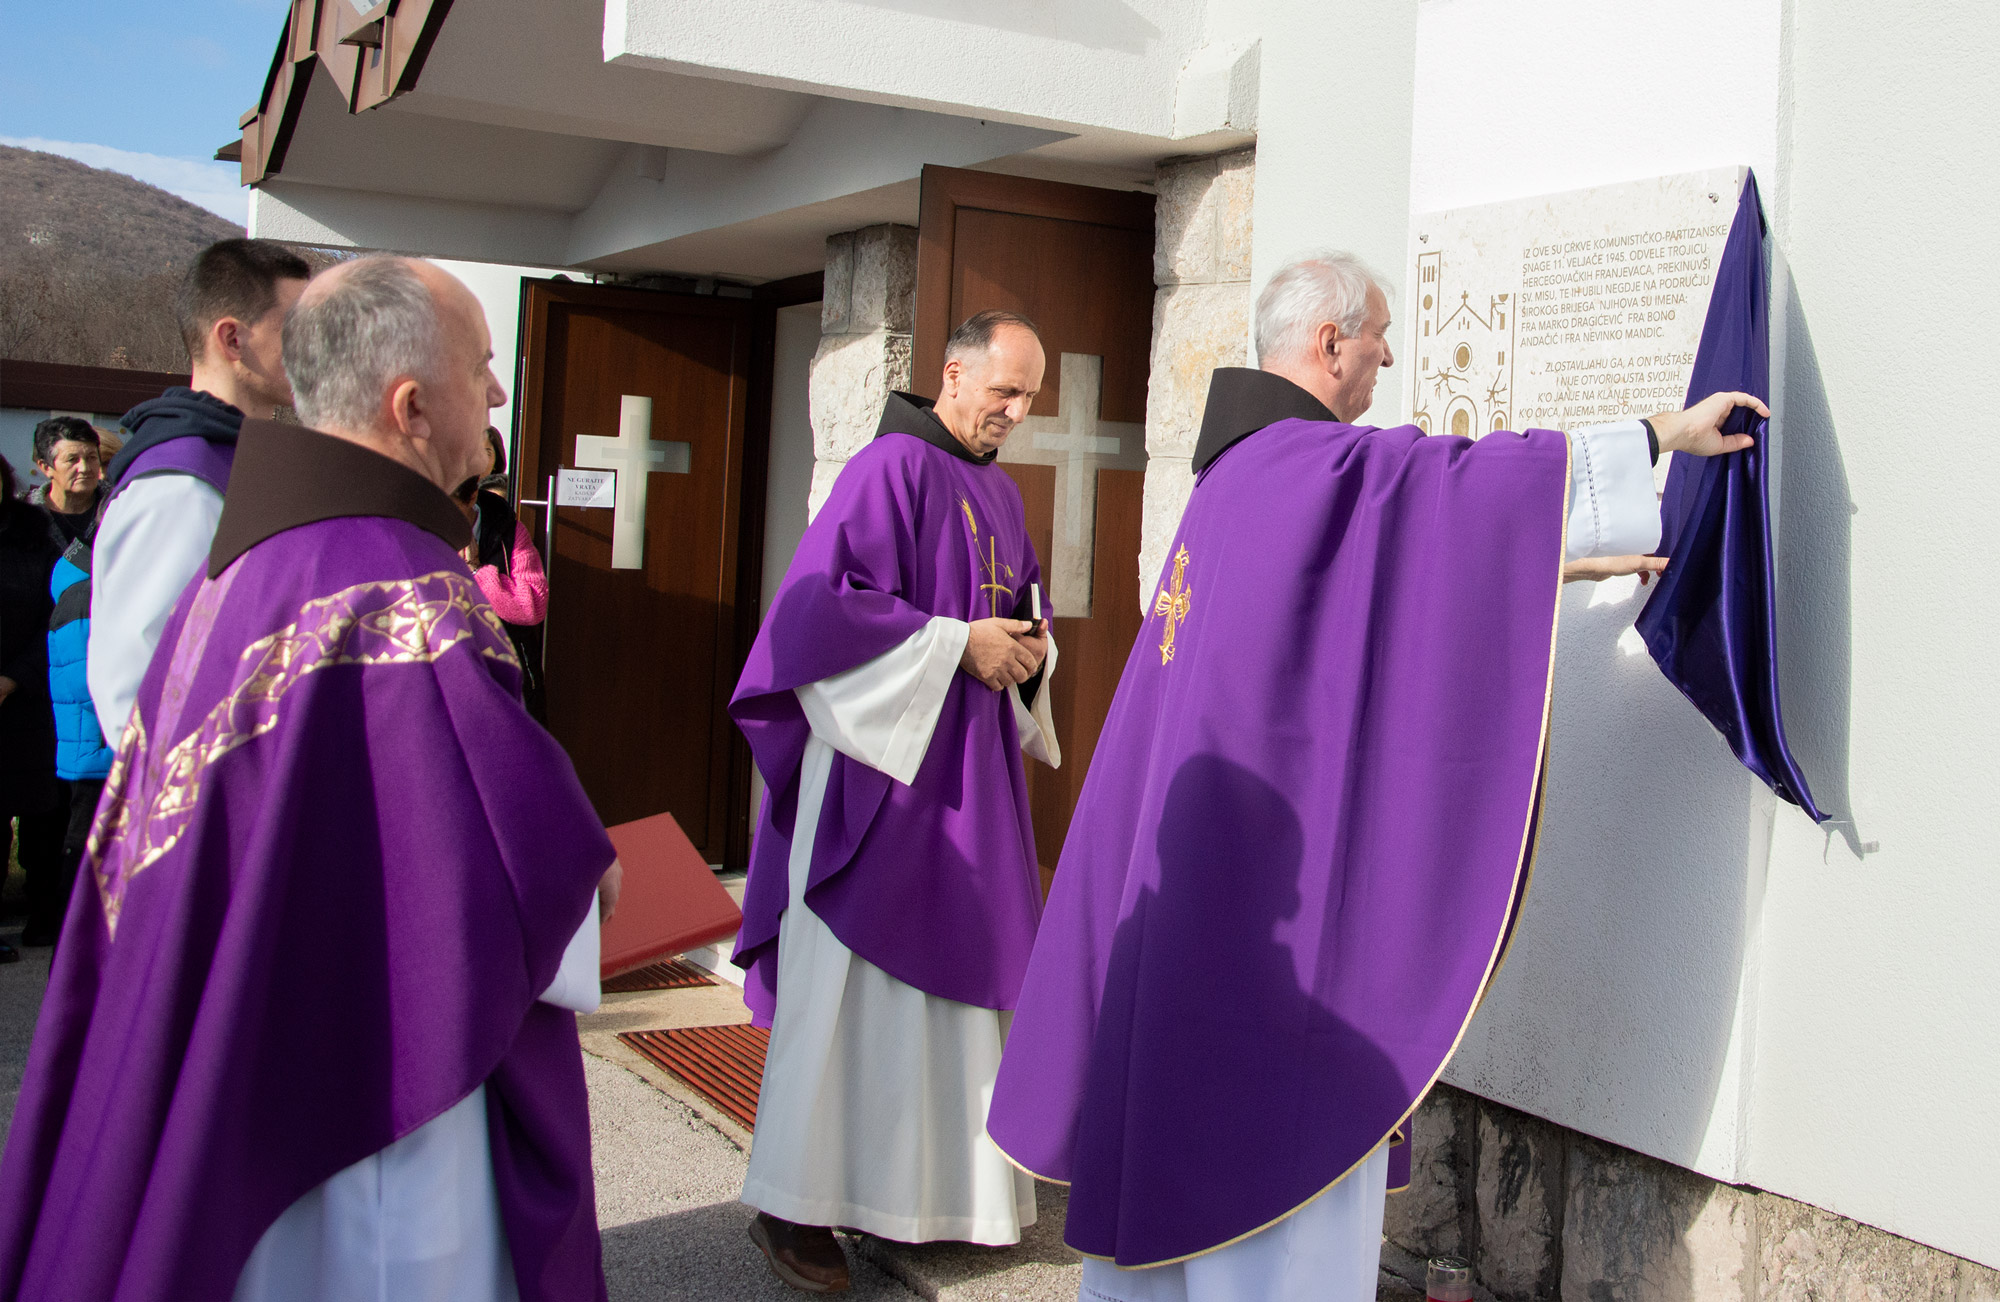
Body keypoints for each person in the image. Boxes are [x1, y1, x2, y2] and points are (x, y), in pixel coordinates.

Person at [984, 251, 1766, 1302]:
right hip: (1264, 967)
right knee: (1267, 1199)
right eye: (1378, 336)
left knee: (1173, 1205)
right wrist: (1666, 434)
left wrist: (1551, 564)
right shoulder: (1314, 468)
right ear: (1326, 343)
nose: (1388, 356)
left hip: (1201, 926)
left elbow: (1374, 593)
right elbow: (1463, 490)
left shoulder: (1236, 481)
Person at [0, 255, 621, 1302]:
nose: (500, 394)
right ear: (412, 405)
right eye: (482, 366)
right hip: (378, 1055)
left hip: (261, 1006)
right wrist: (593, 874)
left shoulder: (260, 559)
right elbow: (506, 858)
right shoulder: (405, 589)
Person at [730, 309, 1062, 1291]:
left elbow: (1018, 607)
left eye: (1028, 398)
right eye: (1002, 390)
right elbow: (816, 613)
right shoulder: (888, 471)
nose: (1014, 412)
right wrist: (957, 644)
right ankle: (791, 1208)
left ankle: (914, 1200)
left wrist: (1030, 651)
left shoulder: (996, 490)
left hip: (962, 769)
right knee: (849, 995)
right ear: (953, 375)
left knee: (944, 997)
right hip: (874, 784)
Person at [89, 237, 312, 750]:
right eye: (296, 330)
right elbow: (134, 689)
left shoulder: (243, 460)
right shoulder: (181, 483)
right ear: (233, 340)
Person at [26, 419, 115, 949]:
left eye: (90, 457)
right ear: (44, 468)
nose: (84, 468)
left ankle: (83, 920)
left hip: (95, 685)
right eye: (71, 459)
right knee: (41, 811)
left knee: (91, 810)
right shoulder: (23, 524)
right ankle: (42, 911)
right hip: (34, 686)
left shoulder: (119, 514)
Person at [0, 454, 65, 965]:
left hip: (27, 698)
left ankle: (47, 917)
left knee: (38, 813)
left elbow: (53, 614)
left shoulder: (32, 537)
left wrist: (13, 676)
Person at [456, 426, 548, 717]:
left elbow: (531, 605)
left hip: (504, 673)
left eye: (450, 507)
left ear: (471, 498)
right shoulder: (420, 529)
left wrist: (477, 571)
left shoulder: (507, 530)